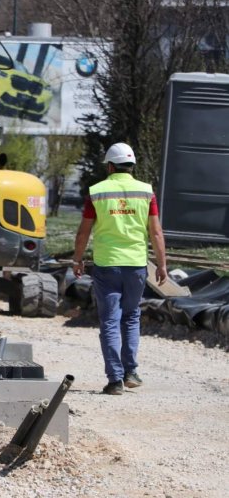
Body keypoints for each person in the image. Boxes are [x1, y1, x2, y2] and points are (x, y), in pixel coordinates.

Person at [72, 142, 167, 396]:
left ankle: (115, 380)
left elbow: (84, 232)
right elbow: (156, 232)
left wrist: (77, 259)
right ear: (132, 166)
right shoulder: (146, 192)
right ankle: (131, 372)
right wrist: (162, 264)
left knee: (110, 321)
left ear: (110, 166)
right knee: (132, 316)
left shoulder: (97, 192)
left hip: (107, 266)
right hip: (136, 265)